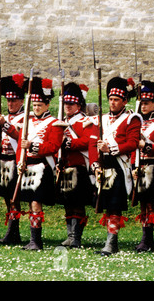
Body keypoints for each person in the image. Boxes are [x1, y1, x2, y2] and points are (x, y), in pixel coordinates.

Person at [92, 76, 142, 256]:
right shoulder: (102, 119)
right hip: (103, 166)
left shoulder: (132, 119)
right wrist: (95, 164)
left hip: (119, 166)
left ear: (125, 101)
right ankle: (109, 241)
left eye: (116, 100)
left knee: (114, 206)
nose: (112, 103)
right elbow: (93, 143)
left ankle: (111, 243)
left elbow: (133, 143)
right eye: (110, 100)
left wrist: (111, 148)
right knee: (105, 205)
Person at [16, 76, 65, 250]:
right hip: (27, 165)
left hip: (42, 167)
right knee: (30, 202)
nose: (36, 108)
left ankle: (36, 240)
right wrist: (19, 162)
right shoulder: (27, 122)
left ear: (47, 105)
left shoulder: (55, 123)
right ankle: (33, 239)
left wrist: (32, 145)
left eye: (39, 105)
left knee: (36, 202)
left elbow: (53, 147)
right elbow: (20, 147)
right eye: (34, 105)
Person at [56, 82, 98, 248]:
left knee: (78, 203)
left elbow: (87, 142)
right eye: (66, 104)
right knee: (68, 204)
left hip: (79, 167)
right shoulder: (61, 121)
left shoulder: (85, 122)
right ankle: (70, 235)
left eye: (71, 104)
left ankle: (76, 237)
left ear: (79, 105)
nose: (67, 107)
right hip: (65, 166)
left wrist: (68, 143)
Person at [131, 78, 154, 253]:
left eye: (147, 103)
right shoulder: (135, 122)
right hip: (139, 166)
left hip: (153, 167)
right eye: (142, 103)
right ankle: (144, 238)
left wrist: (146, 146)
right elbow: (131, 148)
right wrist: (132, 167)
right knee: (141, 203)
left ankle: (148, 239)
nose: (143, 106)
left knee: (150, 204)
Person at [0, 74, 26, 245]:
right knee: (7, 198)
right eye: (8, 100)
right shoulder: (6, 117)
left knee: (14, 198)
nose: (10, 103)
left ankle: (12, 232)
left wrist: (5, 124)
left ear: (21, 101)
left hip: (15, 160)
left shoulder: (26, 117)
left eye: (14, 101)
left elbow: (20, 136)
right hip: (3, 161)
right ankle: (13, 232)